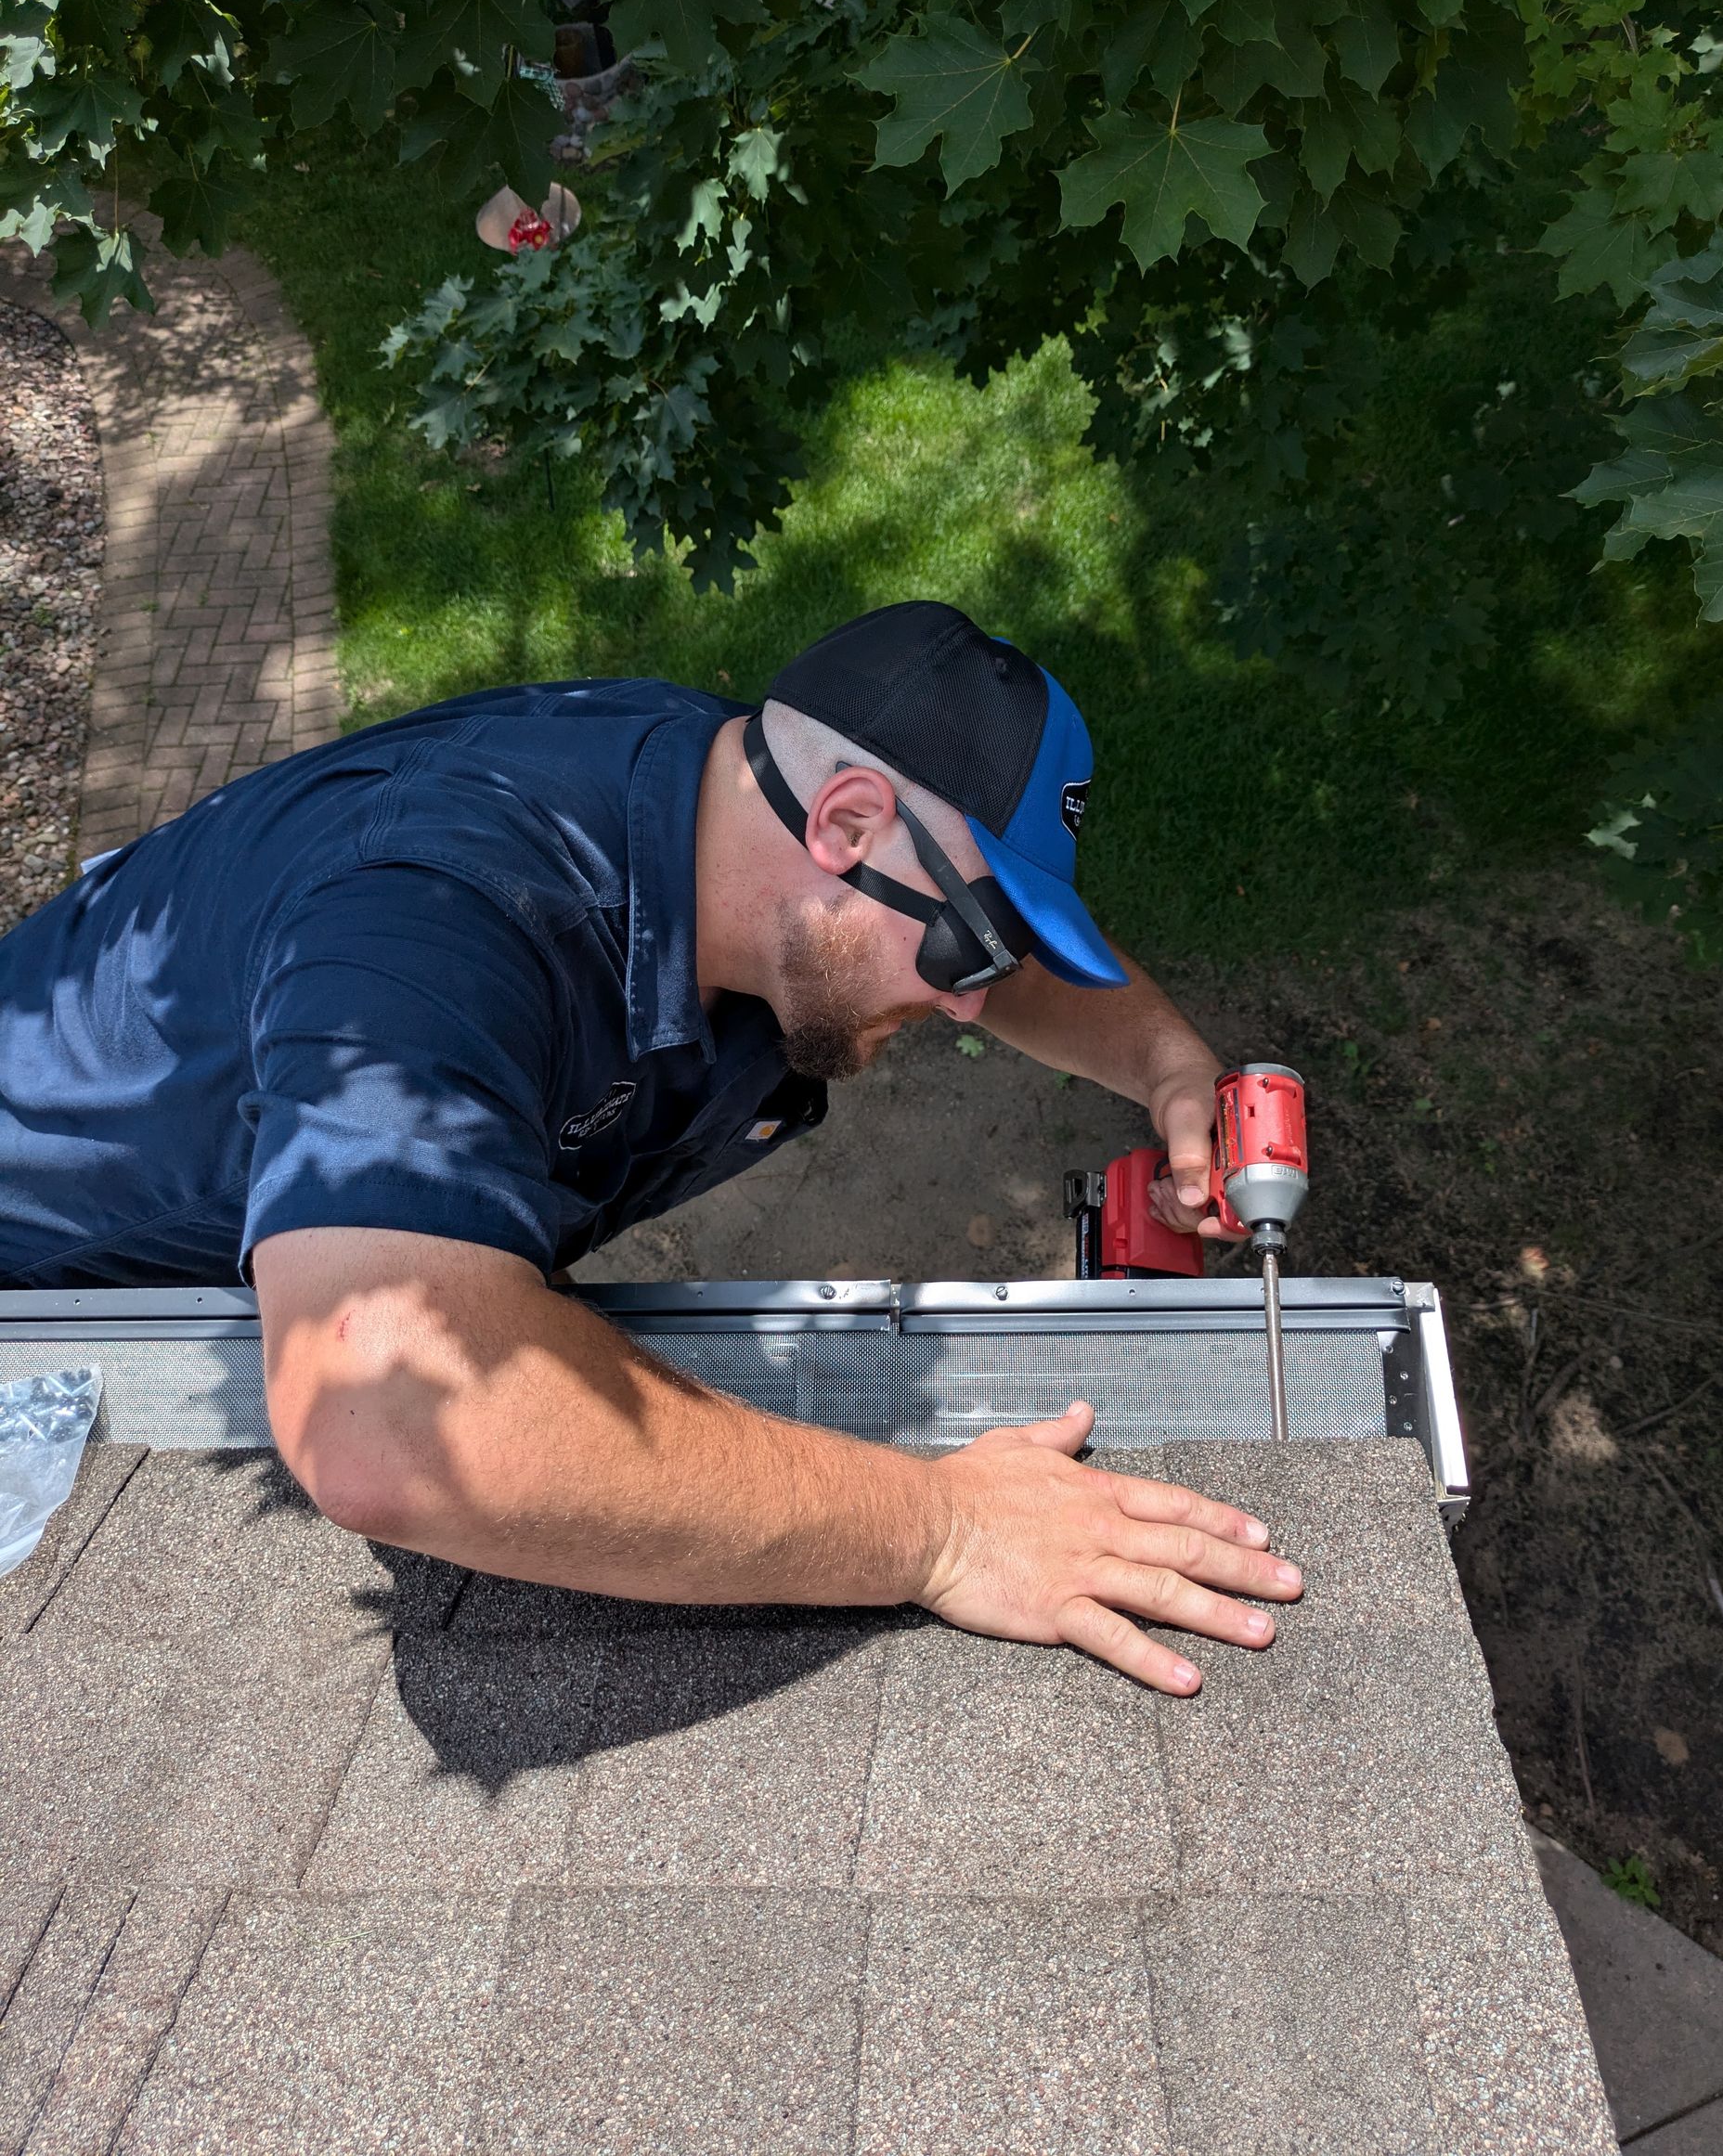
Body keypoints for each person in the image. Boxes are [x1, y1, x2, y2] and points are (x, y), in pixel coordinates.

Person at [0, 601, 1301, 1687]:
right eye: (970, 948)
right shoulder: (436, 917)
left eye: (1002, 955)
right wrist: (942, 1529)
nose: (974, 1002)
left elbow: (929, 910)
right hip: (47, 1308)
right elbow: (387, 1425)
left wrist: (1165, 1060)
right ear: (841, 822)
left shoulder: (730, 812)